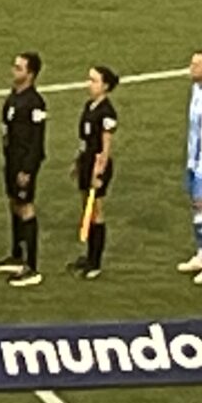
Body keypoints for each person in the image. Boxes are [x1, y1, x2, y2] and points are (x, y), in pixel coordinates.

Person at [73, 66, 119, 278]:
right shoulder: (89, 106)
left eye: (94, 80)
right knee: (87, 209)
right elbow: (85, 140)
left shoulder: (107, 113)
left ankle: (95, 261)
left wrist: (97, 172)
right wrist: (78, 163)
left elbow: (105, 146)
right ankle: (88, 255)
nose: (88, 84)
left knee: (96, 211)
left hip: (96, 165)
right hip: (86, 162)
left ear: (105, 86)